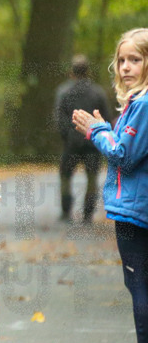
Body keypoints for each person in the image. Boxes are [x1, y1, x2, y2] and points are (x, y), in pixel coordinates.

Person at [72, 28, 148, 343]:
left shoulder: (144, 105)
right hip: (135, 207)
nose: (126, 67)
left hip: (137, 210)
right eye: (121, 60)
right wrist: (106, 126)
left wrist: (95, 131)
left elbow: (124, 156)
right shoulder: (137, 104)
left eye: (135, 59)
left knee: (139, 285)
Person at [55, 54, 112, 223]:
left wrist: (68, 136)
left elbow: (59, 118)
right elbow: (106, 117)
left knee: (65, 175)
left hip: (71, 142)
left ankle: (66, 211)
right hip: (93, 141)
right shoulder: (98, 92)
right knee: (92, 177)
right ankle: (88, 213)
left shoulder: (64, 91)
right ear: (88, 71)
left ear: (71, 71)